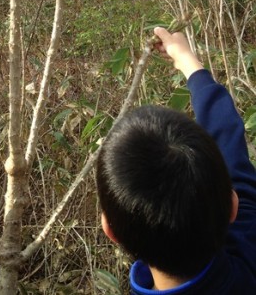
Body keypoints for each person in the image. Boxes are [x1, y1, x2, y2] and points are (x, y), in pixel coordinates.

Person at [96, 27, 256, 294]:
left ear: (111, 231)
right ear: (232, 206)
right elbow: (228, 139)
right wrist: (188, 62)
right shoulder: (248, 250)